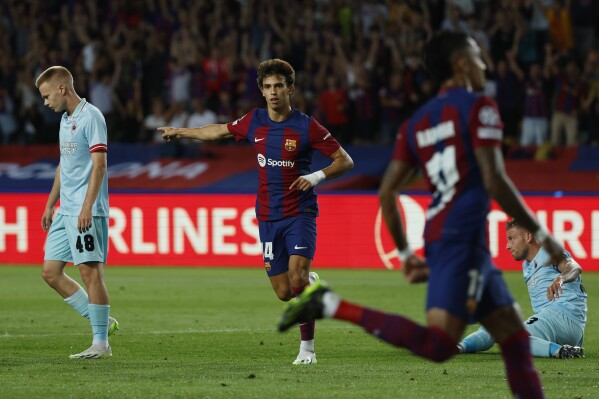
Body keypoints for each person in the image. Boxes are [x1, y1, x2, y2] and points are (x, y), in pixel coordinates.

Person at [279, 31, 565, 399]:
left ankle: (332, 304)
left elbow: (387, 191)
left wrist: (404, 252)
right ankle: (332, 304)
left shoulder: (418, 122)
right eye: (478, 58)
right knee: (440, 344)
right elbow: (495, 178)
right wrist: (545, 236)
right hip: (461, 239)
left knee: (514, 342)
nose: (484, 66)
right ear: (461, 64)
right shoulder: (481, 107)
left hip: (445, 236)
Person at [159, 58, 354, 365]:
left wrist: (316, 177)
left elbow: (345, 160)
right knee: (283, 291)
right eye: (267, 87)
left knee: (297, 275)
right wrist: (180, 132)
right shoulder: (255, 121)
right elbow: (218, 131)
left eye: (279, 86)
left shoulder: (306, 126)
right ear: (262, 91)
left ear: (290, 89)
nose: (273, 92)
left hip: (300, 212)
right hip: (267, 215)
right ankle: (308, 281)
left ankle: (307, 350)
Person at [36, 66, 118, 359]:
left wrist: (86, 208)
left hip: (87, 210)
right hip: (64, 210)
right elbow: (64, 164)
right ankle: (102, 321)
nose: (45, 103)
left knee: (90, 273)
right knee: (50, 272)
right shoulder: (65, 120)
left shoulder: (92, 116)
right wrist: (50, 203)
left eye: (47, 96)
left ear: (62, 89)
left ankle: (101, 344)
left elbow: (100, 165)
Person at [458, 219, 586, 358]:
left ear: (528, 236)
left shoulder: (549, 251)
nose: (507, 246)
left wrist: (561, 278)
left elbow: (573, 267)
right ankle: (460, 347)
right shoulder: (527, 265)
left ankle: (561, 351)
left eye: (511, 238)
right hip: (557, 324)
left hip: (562, 315)